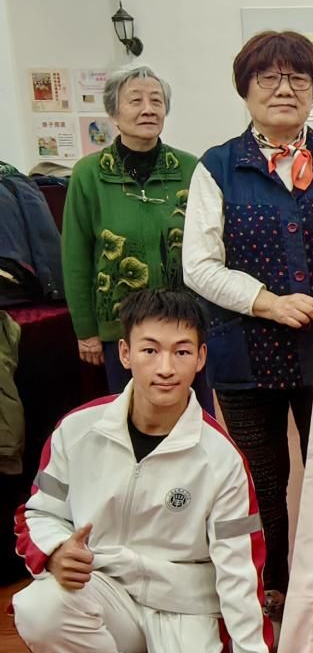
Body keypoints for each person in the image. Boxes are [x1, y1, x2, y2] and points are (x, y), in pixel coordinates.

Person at [11, 289, 273, 653]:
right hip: (109, 590)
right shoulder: (77, 430)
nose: (165, 367)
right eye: (150, 350)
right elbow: (37, 513)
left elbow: (242, 575)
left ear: (201, 358)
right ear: (126, 353)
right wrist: (55, 551)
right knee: (36, 607)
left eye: (181, 351)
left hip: (188, 606)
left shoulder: (221, 461)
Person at [184, 30, 313, 620]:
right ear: (245, 90)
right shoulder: (217, 166)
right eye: (268, 78)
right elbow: (198, 266)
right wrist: (266, 302)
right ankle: (271, 587)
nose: (284, 89)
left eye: (297, 78)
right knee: (260, 480)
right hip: (246, 352)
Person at [60, 65, 211, 411]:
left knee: (192, 415)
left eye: (156, 101)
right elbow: (75, 256)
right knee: (132, 417)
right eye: (135, 101)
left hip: (183, 324)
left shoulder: (190, 168)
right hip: (122, 328)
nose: (148, 109)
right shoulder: (89, 174)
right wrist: (86, 330)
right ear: (113, 113)